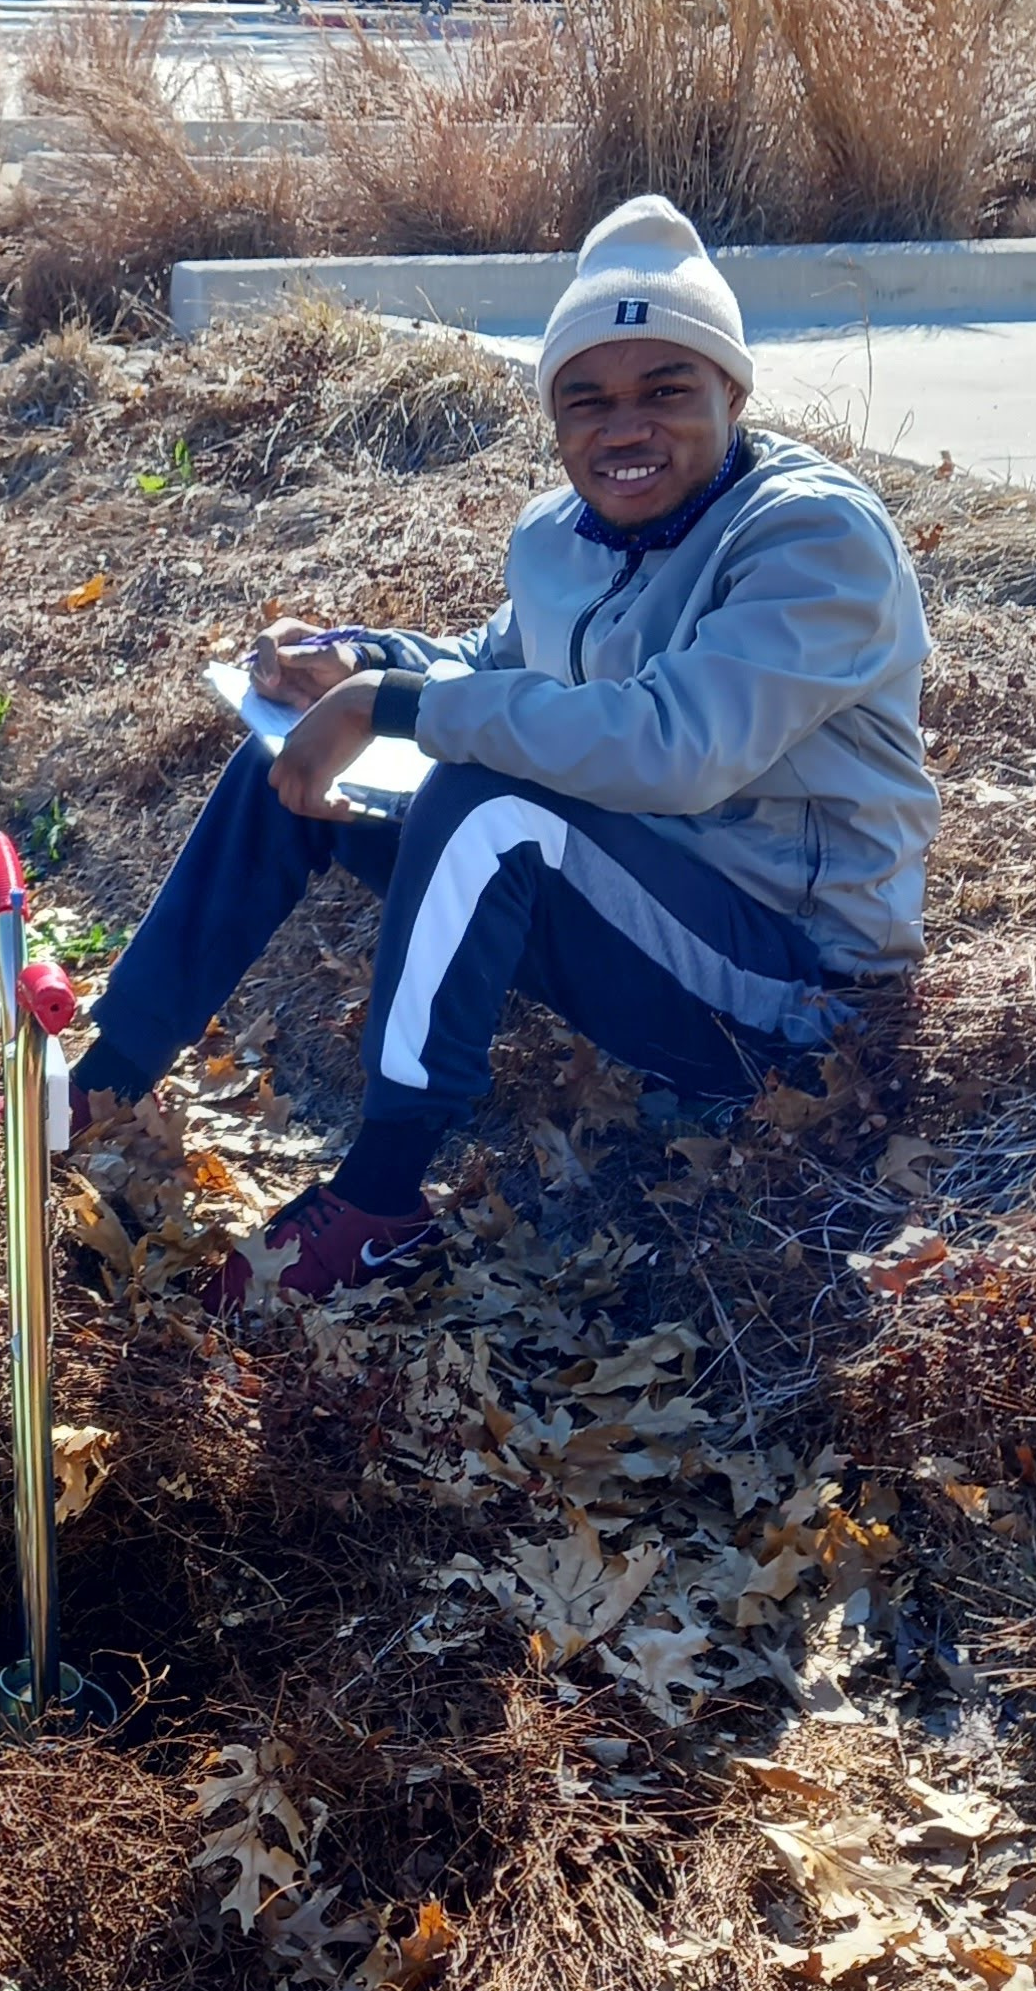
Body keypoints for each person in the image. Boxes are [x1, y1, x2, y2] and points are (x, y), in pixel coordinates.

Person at [68, 193, 939, 1307]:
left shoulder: (815, 537)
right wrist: (352, 667)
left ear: (734, 390)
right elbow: (495, 673)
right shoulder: (559, 534)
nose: (624, 428)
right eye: (587, 399)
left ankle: (381, 1200)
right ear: (555, 416)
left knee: (489, 801)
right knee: (286, 764)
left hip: (793, 987)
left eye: (666, 389)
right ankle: (102, 1086)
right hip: (636, 911)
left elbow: (675, 749)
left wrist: (392, 702)